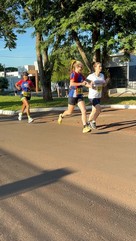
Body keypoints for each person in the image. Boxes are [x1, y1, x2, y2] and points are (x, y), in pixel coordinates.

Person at [57, 60, 91, 133]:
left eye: (82, 67)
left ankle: (85, 126)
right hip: (72, 95)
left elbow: (86, 83)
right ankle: (61, 115)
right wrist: (81, 83)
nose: (81, 68)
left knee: (84, 110)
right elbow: (72, 83)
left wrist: (91, 86)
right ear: (76, 67)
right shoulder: (73, 74)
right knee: (69, 112)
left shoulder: (81, 75)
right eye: (80, 67)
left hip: (79, 95)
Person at [86, 62, 106, 129]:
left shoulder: (102, 75)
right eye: (99, 66)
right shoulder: (91, 76)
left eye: (101, 66)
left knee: (94, 111)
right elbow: (85, 83)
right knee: (99, 109)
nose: (101, 67)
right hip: (92, 96)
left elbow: (103, 85)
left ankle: (88, 122)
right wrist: (90, 86)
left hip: (98, 95)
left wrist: (105, 83)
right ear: (95, 67)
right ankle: (93, 122)